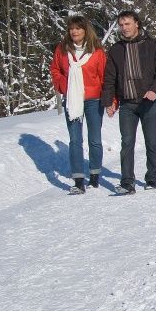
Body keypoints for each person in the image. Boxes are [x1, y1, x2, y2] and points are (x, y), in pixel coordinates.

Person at [101, 10, 156, 194]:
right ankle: (127, 183)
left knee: (151, 142)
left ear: (137, 24)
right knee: (127, 143)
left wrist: (154, 90)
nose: (124, 28)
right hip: (127, 103)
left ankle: (151, 178)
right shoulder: (116, 50)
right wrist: (109, 101)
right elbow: (109, 78)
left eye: (128, 24)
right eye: (121, 25)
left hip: (147, 102)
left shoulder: (151, 46)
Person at [50, 14, 107, 194]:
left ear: (85, 30)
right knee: (75, 140)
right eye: (71, 28)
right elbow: (55, 70)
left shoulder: (96, 51)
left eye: (78, 28)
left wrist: (110, 99)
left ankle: (95, 174)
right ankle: (78, 180)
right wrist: (62, 85)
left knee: (95, 139)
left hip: (94, 99)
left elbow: (104, 76)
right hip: (72, 100)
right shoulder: (62, 50)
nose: (74, 31)